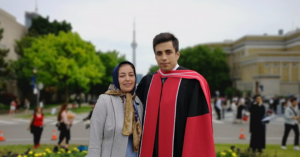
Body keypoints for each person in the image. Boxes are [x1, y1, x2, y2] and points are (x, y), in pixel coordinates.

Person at [136, 33, 215, 157]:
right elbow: (135, 116)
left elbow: (198, 127)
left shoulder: (192, 82)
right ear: (155, 56)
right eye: (159, 53)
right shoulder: (147, 82)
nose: (164, 57)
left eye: (168, 52)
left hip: (179, 150)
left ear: (177, 54)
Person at [86, 61, 144, 157]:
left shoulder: (138, 103)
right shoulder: (104, 101)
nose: (127, 79)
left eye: (131, 75)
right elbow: (95, 140)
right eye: (122, 76)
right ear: (116, 78)